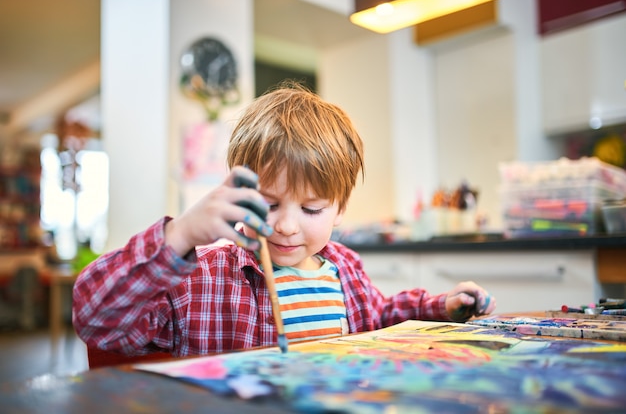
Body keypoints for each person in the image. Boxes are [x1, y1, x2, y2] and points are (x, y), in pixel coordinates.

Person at [72, 82, 496, 357]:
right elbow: (94, 319)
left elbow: (382, 316)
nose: (287, 227)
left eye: (312, 209)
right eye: (269, 204)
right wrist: (178, 235)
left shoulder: (345, 269)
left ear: (340, 207)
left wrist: (441, 306)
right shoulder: (201, 276)